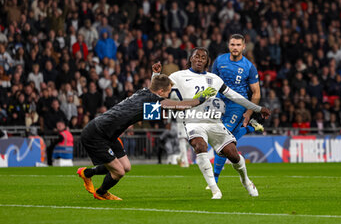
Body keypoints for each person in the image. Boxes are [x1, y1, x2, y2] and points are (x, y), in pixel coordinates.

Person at [152, 47, 270, 199]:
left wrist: (257, 108)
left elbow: (235, 96)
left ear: (207, 61)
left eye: (203, 57)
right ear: (191, 59)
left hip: (214, 122)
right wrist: (155, 74)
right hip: (193, 121)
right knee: (199, 146)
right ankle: (215, 190)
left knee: (233, 155)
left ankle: (246, 180)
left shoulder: (215, 79)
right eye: (197, 56)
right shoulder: (179, 76)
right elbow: (157, 90)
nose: (200, 59)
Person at [77, 73, 216, 200]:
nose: (167, 96)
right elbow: (180, 106)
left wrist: (155, 74)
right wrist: (200, 99)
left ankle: (87, 173)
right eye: (167, 93)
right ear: (160, 92)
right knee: (119, 172)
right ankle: (101, 193)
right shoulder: (155, 100)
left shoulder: (143, 92)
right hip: (96, 134)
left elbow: (154, 88)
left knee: (126, 167)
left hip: (109, 134)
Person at [210, 34, 263, 185]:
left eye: (238, 45)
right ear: (229, 45)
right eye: (233, 44)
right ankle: (248, 129)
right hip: (220, 103)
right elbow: (212, 83)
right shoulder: (220, 61)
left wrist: (249, 112)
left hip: (238, 105)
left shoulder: (248, 67)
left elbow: (256, 92)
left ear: (243, 47)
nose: (235, 47)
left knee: (223, 137)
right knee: (226, 137)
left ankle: (214, 178)